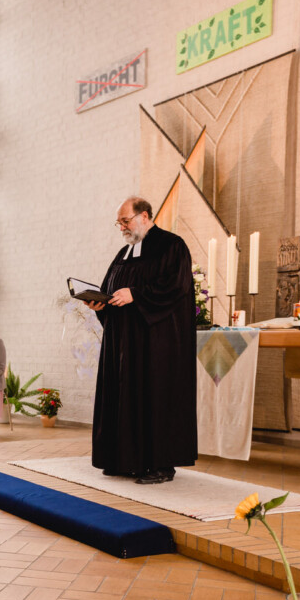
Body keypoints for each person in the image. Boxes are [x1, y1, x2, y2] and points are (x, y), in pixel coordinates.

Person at [86, 197, 197, 484]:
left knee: (153, 397)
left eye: (125, 220)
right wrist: (101, 304)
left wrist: (136, 294)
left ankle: (161, 464)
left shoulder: (172, 246)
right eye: (119, 222)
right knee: (123, 397)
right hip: (122, 343)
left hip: (156, 344)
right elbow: (110, 288)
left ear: (145, 216)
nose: (121, 226)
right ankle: (124, 459)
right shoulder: (125, 252)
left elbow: (176, 287)